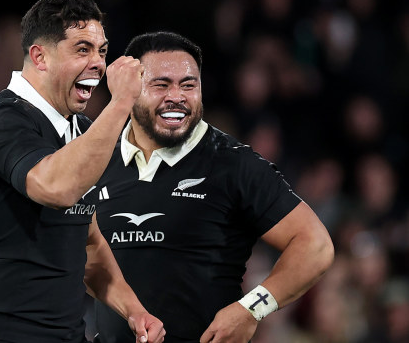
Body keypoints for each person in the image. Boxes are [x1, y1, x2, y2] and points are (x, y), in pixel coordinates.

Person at [0, 0, 167, 343]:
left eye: (102, 51)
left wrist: (134, 310)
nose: (98, 64)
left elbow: (86, 242)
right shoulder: (1, 119)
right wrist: (121, 102)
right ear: (39, 57)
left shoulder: (84, 131)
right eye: (82, 49)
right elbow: (56, 188)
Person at [89, 31, 335, 343]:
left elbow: (315, 245)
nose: (177, 96)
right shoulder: (95, 160)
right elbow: (81, 258)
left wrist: (251, 309)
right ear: (130, 88)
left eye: (189, 85)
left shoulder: (234, 163)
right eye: (161, 84)